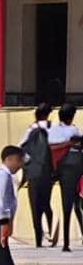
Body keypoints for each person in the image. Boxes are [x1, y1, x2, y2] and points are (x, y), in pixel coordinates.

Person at [50, 104, 83, 251]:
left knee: (69, 206)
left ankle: (66, 243)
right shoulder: (73, 130)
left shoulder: (53, 131)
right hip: (73, 167)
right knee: (76, 206)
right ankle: (68, 242)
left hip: (60, 169)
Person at [21, 105, 55, 247]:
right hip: (48, 173)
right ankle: (51, 233)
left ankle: (38, 240)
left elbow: (22, 151)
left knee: (35, 206)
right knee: (46, 204)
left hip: (33, 174)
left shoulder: (30, 130)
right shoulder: (53, 129)